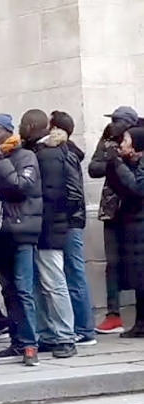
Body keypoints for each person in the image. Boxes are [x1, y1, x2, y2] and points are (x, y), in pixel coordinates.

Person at [0, 114, 43, 366]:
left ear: (9, 132)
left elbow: (22, 185)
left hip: (21, 231)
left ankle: (30, 344)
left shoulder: (25, 156)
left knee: (23, 289)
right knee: (8, 289)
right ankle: (17, 342)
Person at [20, 109, 79, 358]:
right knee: (41, 284)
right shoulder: (40, 152)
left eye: (23, 124)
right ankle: (49, 335)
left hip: (49, 226)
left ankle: (64, 336)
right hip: (43, 225)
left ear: (31, 126)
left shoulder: (49, 154)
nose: (19, 129)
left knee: (54, 282)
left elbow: (55, 195)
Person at [89, 106, 141, 334]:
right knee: (113, 262)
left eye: (117, 120)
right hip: (113, 208)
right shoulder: (108, 139)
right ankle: (113, 314)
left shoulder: (138, 138)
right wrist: (114, 162)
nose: (113, 124)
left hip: (135, 209)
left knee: (138, 264)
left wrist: (123, 161)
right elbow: (93, 168)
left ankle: (139, 317)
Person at [49, 111, 96, 346]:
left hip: (70, 221)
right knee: (72, 272)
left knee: (74, 273)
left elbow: (73, 192)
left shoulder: (66, 154)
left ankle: (85, 329)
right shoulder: (68, 152)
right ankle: (82, 327)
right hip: (71, 220)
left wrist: (63, 213)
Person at [106, 127, 144, 337]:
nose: (122, 144)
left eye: (126, 140)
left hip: (140, 226)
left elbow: (137, 189)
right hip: (133, 227)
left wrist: (119, 165)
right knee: (139, 279)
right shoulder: (131, 163)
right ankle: (140, 324)